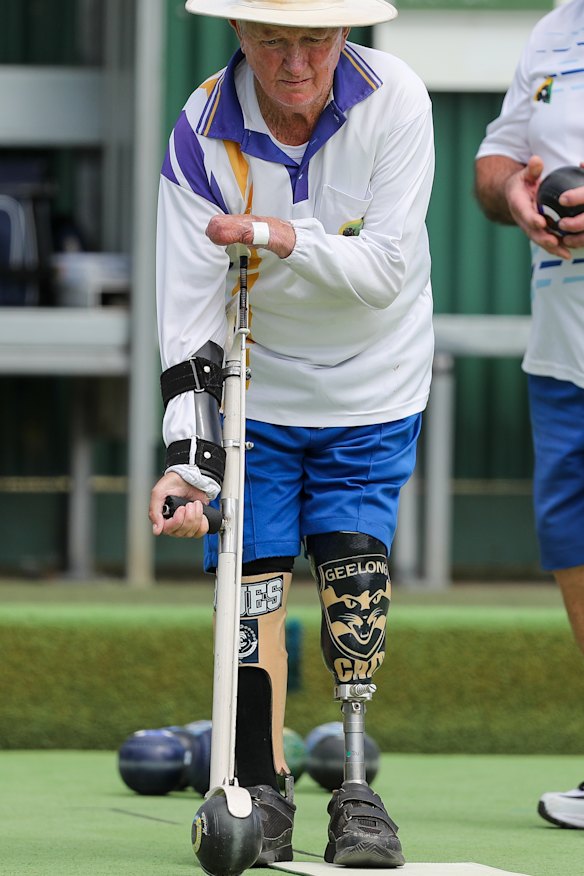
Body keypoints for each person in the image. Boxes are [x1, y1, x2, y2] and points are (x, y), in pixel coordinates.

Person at [149, 0, 435, 865]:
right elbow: (186, 311)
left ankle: (355, 790)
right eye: (273, 39)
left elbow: (385, 269)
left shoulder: (397, 100)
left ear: (345, 35)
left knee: (354, 568)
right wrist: (188, 466)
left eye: (314, 38)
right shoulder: (201, 132)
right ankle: (257, 787)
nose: (296, 61)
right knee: (253, 580)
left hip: (374, 380)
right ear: (239, 34)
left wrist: (275, 235)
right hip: (256, 387)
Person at [475, 0, 584, 831]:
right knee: (575, 544)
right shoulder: (554, 28)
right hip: (562, 348)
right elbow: (497, 156)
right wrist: (512, 190)